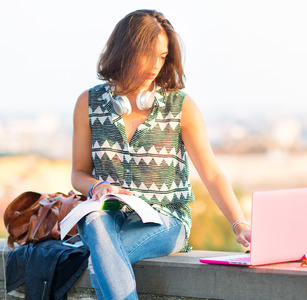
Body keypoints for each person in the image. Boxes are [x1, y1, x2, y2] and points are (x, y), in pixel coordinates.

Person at [71, 9, 251, 299]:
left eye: (163, 56)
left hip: (166, 220)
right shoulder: (88, 103)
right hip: (109, 216)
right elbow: (78, 174)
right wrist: (97, 186)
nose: (156, 65)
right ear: (125, 50)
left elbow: (211, 172)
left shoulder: (180, 107)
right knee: (94, 222)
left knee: (101, 259)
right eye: (148, 54)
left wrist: (238, 222)